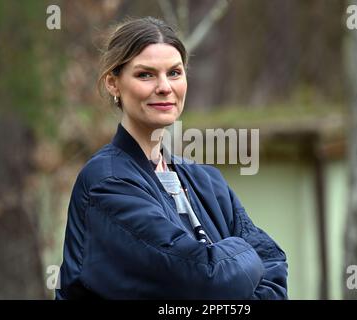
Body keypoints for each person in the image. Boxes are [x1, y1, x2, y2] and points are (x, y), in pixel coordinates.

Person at [56, 16, 288, 300]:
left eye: (175, 73)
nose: (165, 86)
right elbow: (203, 277)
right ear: (113, 84)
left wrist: (231, 271)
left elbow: (275, 265)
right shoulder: (107, 182)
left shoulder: (206, 181)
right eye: (146, 74)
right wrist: (244, 252)